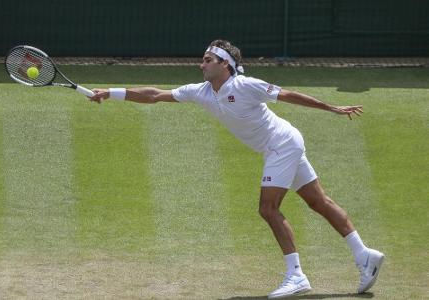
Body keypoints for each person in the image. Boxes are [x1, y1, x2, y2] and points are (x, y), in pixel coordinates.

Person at [89, 39, 384, 299]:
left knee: (268, 209)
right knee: (319, 201)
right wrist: (111, 92)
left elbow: (288, 95)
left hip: (282, 144)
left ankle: (296, 275)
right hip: (281, 145)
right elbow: (154, 95)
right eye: (202, 59)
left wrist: (331, 107)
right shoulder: (201, 91)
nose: (200, 64)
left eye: (208, 60)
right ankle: (364, 255)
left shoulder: (245, 85)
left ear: (226, 65)